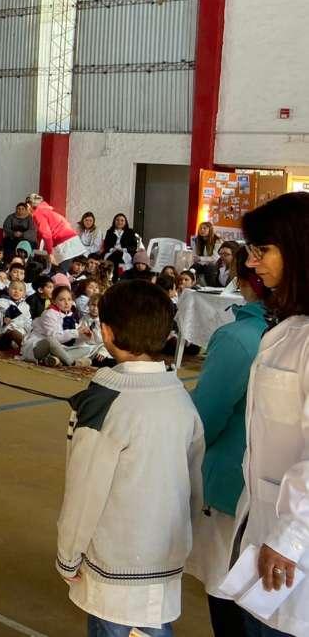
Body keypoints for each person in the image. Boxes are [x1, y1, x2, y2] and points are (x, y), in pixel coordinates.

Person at [56, 280, 204, 637]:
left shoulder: (105, 402)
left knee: (115, 626)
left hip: (115, 564)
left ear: (107, 332)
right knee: (154, 628)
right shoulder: (181, 397)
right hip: (165, 555)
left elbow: (84, 492)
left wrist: (67, 556)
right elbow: (195, 481)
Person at [229, 193, 309, 635]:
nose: (251, 263)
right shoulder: (290, 328)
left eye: (262, 250)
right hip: (262, 531)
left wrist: (289, 538)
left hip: (291, 552)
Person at [185, 247, 267, 635]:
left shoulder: (240, 339)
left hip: (234, 489)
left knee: (229, 593)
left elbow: (205, 418)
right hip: (273, 498)